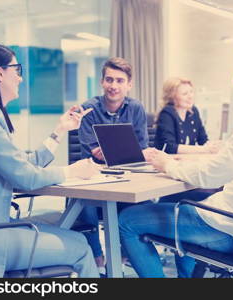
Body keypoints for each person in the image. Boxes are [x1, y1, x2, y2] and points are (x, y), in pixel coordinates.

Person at [118, 37, 233, 278]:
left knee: (128, 220)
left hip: (230, 228)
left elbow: (211, 175)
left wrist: (168, 164)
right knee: (187, 202)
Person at [0, 42, 100, 277]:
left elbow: (22, 163)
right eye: (16, 69)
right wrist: (74, 171)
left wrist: (59, 131)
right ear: (0, 73)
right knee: (81, 246)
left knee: (70, 235)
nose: (20, 78)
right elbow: (26, 177)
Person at [76, 57, 153, 274]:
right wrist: (114, 152)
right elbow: (95, 153)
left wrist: (117, 152)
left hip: (127, 175)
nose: (114, 86)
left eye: (120, 80)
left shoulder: (136, 108)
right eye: (109, 79)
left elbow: (141, 148)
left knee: (140, 202)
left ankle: (122, 256)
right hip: (93, 177)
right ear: (102, 82)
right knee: (86, 207)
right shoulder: (88, 109)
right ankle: (98, 260)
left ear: (129, 84)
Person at [154, 77, 220, 154]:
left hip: (185, 161)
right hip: (166, 161)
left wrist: (212, 145)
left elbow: (203, 140)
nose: (190, 97)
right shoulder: (166, 114)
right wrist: (205, 149)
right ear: (172, 97)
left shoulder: (193, 111)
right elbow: (170, 147)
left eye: (191, 92)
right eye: (185, 94)